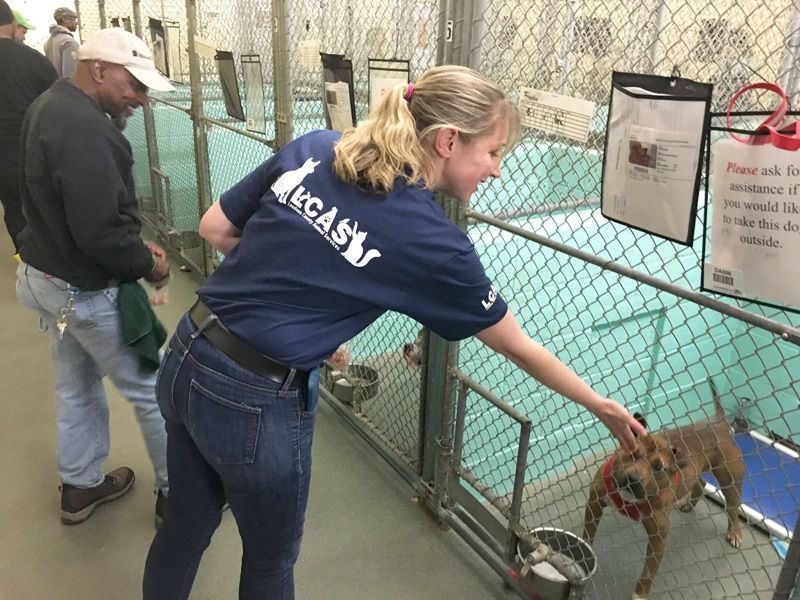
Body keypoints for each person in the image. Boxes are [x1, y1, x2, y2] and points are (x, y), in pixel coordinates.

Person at [143, 65, 646, 599]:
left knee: (187, 522)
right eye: (494, 152)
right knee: (270, 561)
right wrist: (600, 404)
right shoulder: (432, 242)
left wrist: (299, 308)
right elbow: (516, 347)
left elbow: (214, 227)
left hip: (187, 349)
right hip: (254, 397)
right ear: (449, 141)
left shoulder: (319, 147)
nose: (496, 170)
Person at [15, 28, 176, 526]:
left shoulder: (50, 104)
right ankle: (180, 496)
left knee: (76, 385)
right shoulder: (86, 130)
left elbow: (76, 212)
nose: (142, 100)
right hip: (82, 292)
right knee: (156, 390)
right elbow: (102, 236)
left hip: (46, 276)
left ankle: (80, 486)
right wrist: (150, 265)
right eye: (135, 85)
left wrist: (124, 239)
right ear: (99, 69)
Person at [0, 0, 56, 253]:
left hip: (3, 161)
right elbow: (59, 109)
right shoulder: (33, 60)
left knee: (13, 210)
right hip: (33, 152)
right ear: (11, 24)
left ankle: (24, 260)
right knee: (45, 210)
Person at [44, 6, 78, 77]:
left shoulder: (48, 42)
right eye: (73, 19)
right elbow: (70, 75)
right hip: (66, 87)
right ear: (65, 20)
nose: (76, 22)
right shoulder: (69, 42)